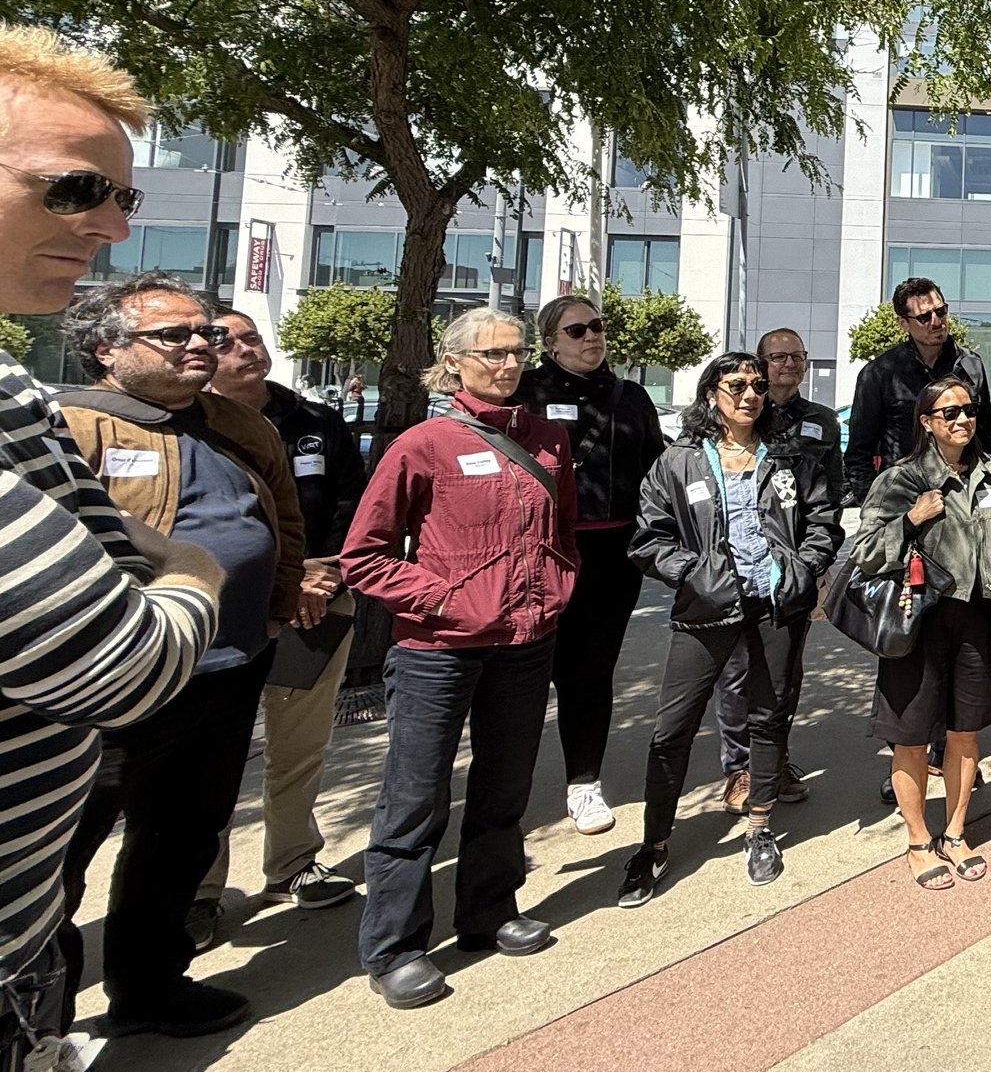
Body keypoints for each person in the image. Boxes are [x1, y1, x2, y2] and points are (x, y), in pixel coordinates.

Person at [0, 28, 220, 1072]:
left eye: (121, 194)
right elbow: (125, 658)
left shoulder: (12, 394)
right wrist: (195, 572)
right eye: (74, 188)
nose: (111, 225)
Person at [53, 278, 304, 1039]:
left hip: (228, 669)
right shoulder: (68, 428)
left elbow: (282, 511)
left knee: (181, 837)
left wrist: (281, 593)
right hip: (114, 684)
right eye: (174, 335)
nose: (201, 344)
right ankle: (37, 1045)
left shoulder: (237, 422)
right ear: (107, 349)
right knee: (56, 863)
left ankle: (149, 985)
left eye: (206, 332)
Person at [341, 308, 578, 1009]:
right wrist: (445, 599)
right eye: (492, 354)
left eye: (516, 352)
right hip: (437, 652)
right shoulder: (423, 444)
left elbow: (562, 530)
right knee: (414, 800)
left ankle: (489, 911)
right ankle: (395, 946)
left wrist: (559, 586)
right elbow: (365, 557)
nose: (509, 364)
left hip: (526, 645)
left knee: (505, 790)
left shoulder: (549, 438)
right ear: (454, 365)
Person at [616, 353, 840, 905]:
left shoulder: (790, 458)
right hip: (706, 609)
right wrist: (696, 575)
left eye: (759, 386)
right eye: (737, 384)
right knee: (673, 730)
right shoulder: (679, 461)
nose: (750, 395)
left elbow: (823, 521)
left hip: (776, 605)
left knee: (770, 717)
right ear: (711, 391)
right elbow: (648, 538)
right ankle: (654, 844)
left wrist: (802, 569)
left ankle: (759, 827)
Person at [197, 310, 370, 931]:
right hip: (220, 617)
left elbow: (354, 503)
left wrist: (324, 574)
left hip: (319, 602)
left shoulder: (315, 421)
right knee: (209, 757)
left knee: (299, 745)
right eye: (229, 342)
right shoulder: (188, 427)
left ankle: (293, 863)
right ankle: (200, 890)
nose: (247, 350)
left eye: (253, 338)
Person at [847, 378, 991, 891]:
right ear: (926, 422)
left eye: (969, 410)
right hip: (919, 618)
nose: (963, 420)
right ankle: (919, 839)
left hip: (978, 616)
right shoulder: (902, 478)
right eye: (949, 413)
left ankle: (957, 829)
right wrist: (910, 519)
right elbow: (865, 551)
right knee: (913, 735)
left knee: (966, 730)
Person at [514, 293, 666, 836]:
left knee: (590, 672)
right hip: (541, 551)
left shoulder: (630, 397)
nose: (592, 337)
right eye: (577, 330)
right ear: (551, 339)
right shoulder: (525, 392)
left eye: (597, 327)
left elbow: (658, 469)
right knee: (527, 671)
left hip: (611, 556)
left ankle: (584, 782)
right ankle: (509, 791)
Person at [712, 325, 842, 812]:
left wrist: (817, 566)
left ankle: (774, 759)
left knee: (785, 672)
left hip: (795, 572)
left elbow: (830, 495)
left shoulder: (822, 421)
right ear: (759, 364)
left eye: (797, 356)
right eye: (777, 357)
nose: (788, 364)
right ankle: (740, 768)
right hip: (736, 571)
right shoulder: (740, 417)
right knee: (737, 671)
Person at [845, 279, 991, 504]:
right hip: (903, 498)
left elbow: (984, 436)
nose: (936, 322)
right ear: (904, 323)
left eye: (941, 311)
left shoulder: (971, 365)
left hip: (962, 495)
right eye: (924, 317)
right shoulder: (879, 373)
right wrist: (874, 507)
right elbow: (859, 451)